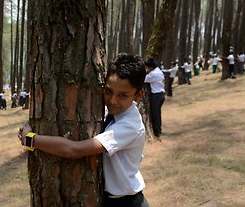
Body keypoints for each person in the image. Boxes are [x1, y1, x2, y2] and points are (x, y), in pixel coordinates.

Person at [18, 53, 149, 207]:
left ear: (138, 95)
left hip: (126, 203)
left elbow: (74, 150)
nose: (113, 100)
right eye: (108, 91)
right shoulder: (110, 113)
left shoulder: (130, 126)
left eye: (122, 95)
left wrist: (31, 139)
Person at [144, 58, 166, 140]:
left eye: (147, 67)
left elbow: (143, 80)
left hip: (156, 95)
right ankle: (158, 130)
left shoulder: (153, 74)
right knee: (157, 113)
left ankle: (157, 132)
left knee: (155, 114)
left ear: (150, 67)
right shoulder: (158, 71)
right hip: (161, 94)